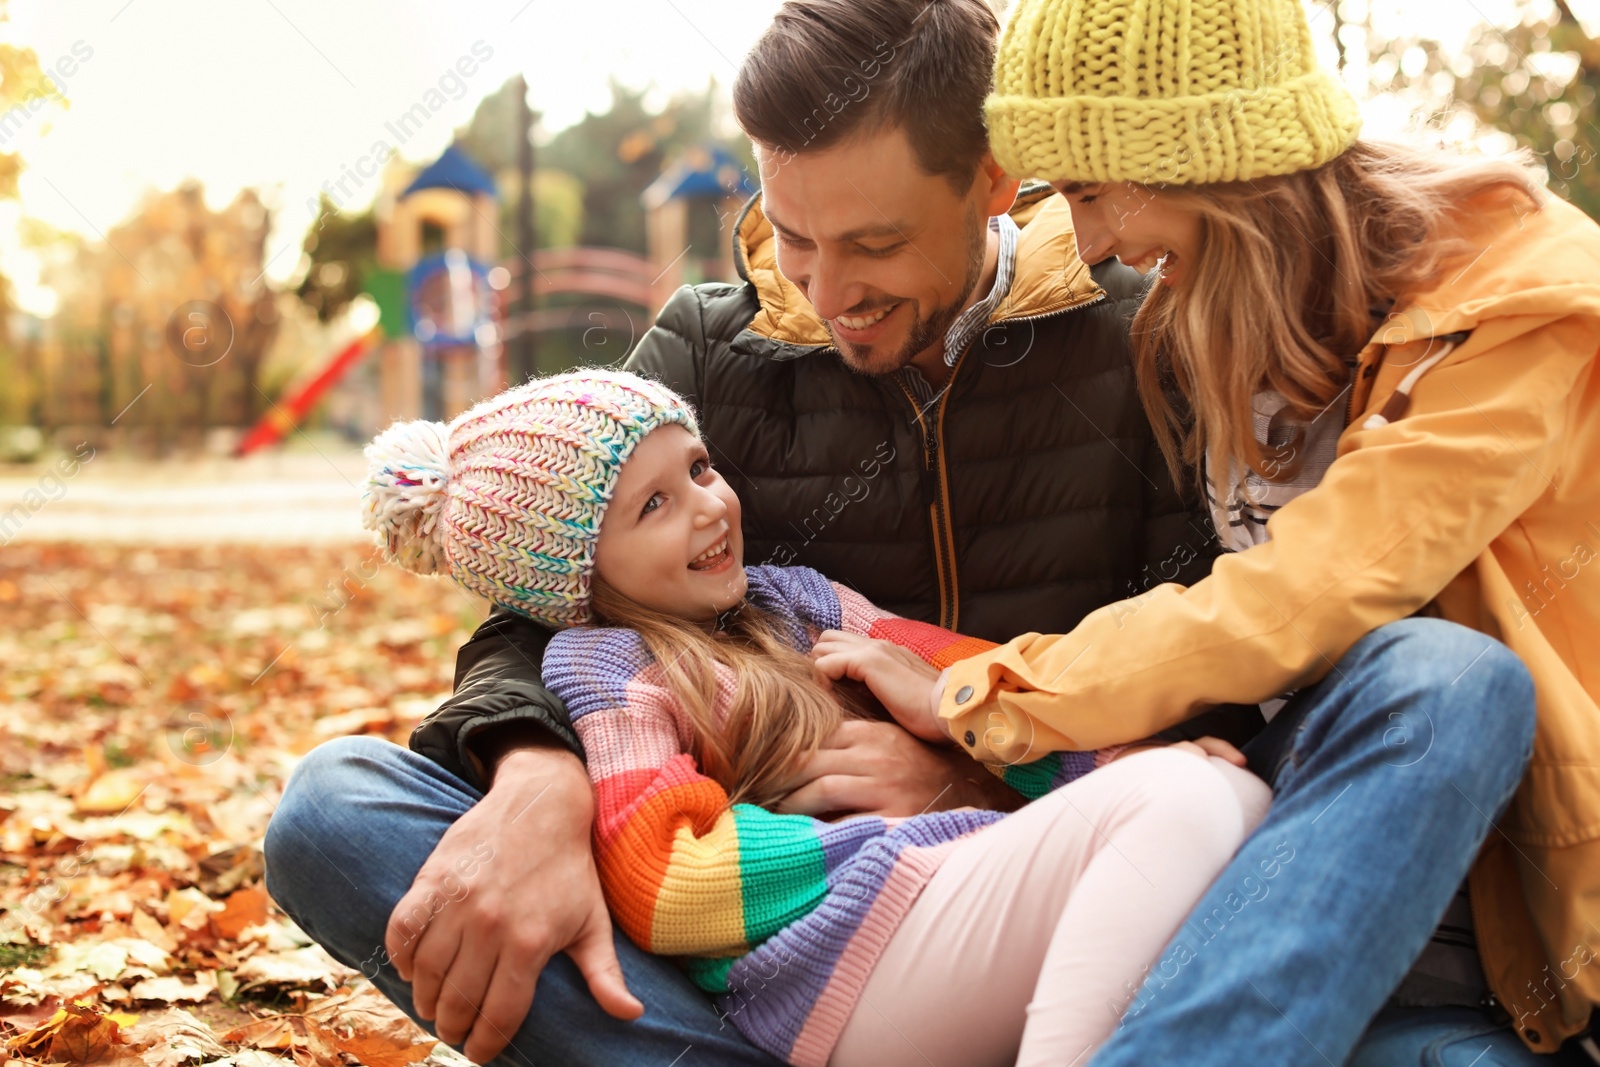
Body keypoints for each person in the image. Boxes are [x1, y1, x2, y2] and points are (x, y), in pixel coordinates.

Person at [264, 1, 1241, 1064]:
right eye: (794, 235)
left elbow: (1208, 662)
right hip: (782, 924)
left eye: (874, 244)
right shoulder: (707, 350)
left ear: (994, 181)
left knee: (1242, 793)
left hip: (1065, 858)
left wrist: (973, 774)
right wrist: (538, 773)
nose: (825, 292)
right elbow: (545, 600)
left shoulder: (1145, 337)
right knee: (335, 809)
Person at [824, 0, 1600, 1062]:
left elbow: (1311, 590)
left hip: (1469, 933)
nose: (1091, 242)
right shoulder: (1199, 312)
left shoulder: (1518, 306)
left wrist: (994, 690)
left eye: (1093, 194)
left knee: (1447, 677)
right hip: (1249, 870)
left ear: (1209, 164)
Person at [347, 369, 1270, 1067]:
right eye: (654, 505)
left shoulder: (802, 599)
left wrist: (1111, 758)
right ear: (580, 578)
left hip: (937, 899)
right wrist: (892, 831)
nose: (708, 506)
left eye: (700, 467)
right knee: (1177, 808)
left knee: (1227, 794)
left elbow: (971, 682)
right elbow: (670, 883)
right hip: (833, 963)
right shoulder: (607, 664)